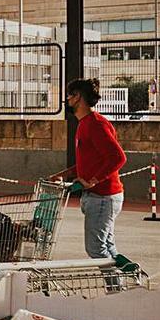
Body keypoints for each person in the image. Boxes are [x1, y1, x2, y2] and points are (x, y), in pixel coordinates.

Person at [53, 78, 127, 260]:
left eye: (69, 95)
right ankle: (125, 283)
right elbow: (90, 161)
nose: (67, 100)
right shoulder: (85, 123)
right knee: (107, 246)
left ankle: (117, 288)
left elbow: (118, 157)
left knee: (96, 249)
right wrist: (65, 174)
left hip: (103, 196)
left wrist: (93, 181)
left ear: (77, 97)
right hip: (99, 197)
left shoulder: (95, 124)